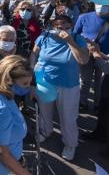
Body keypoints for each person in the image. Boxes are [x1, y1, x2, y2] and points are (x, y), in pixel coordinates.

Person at [29, 15, 89, 161]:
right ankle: (46, 131)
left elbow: (83, 60)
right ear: (52, 27)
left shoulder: (77, 38)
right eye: (58, 27)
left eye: (66, 27)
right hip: (44, 81)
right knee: (45, 110)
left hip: (68, 84)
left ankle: (70, 144)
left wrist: (69, 41)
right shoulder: (44, 37)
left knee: (68, 117)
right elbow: (34, 53)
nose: (62, 30)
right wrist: (32, 70)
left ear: (72, 26)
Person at [74, 2, 109, 111]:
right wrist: (84, 42)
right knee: (85, 80)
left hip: (106, 56)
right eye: (99, 3)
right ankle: (82, 102)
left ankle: (98, 103)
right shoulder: (83, 17)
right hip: (86, 54)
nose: (101, 6)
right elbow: (75, 35)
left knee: (101, 80)